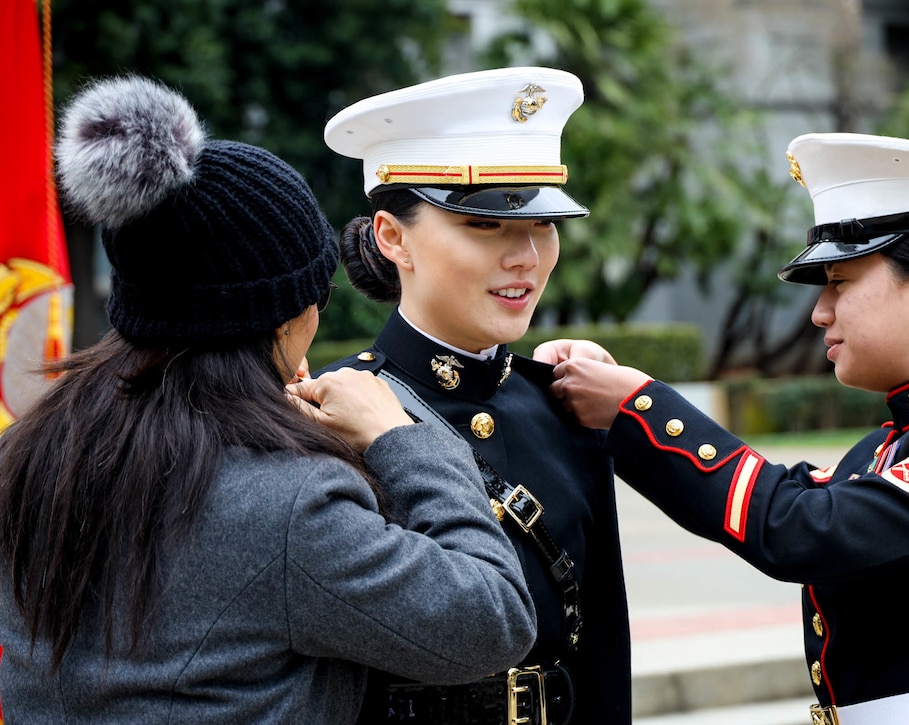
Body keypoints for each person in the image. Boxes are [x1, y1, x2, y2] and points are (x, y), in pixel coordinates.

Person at [0, 75, 536, 723]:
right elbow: (492, 619)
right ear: (287, 318)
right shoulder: (290, 503)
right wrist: (402, 435)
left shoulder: (24, 452)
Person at [536, 133, 909, 724]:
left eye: (839, 283)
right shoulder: (887, 447)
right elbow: (782, 497)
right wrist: (619, 410)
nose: (820, 312)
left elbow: (800, 529)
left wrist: (640, 407)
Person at [320, 67, 630, 724]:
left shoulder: (563, 405)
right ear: (392, 236)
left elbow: (601, 649)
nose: (525, 256)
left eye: (542, 226)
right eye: (485, 225)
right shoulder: (332, 412)